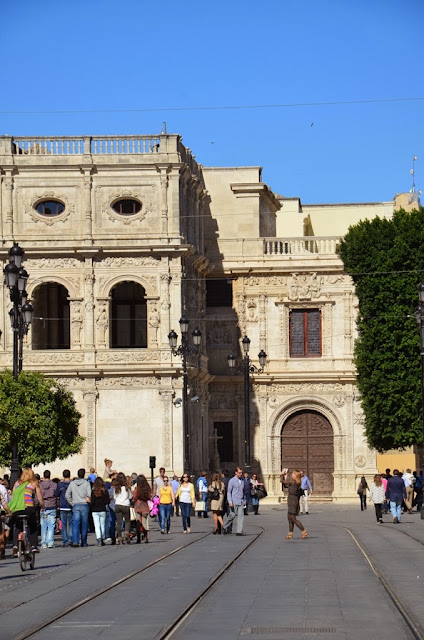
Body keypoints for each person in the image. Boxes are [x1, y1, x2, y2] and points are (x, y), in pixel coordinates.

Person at [10, 469, 44, 555]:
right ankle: (33, 546)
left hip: (17, 509)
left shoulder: (17, 483)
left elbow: (14, 496)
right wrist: (42, 505)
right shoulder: (34, 483)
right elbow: (39, 498)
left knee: (17, 526)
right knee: (33, 525)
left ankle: (15, 545)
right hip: (28, 508)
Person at [65, 468, 91, 547]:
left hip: (75, 505)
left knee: (75, 524)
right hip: (84, 504)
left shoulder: (72, 483)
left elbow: (67, 495)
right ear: (83, 475)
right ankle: (84, 542)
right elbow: (89, 494)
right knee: (84, 524)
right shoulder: (86, 483)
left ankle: (75, 541)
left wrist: (72, 503)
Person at [281, 468, 308, 539]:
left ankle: (304, 531)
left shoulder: (293, 481)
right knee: (289, 518)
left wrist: (282, 474)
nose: (292, 474)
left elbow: (282, 481)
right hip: (292, 500)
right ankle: (290, 534)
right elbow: (285, 485)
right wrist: (284, 476)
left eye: (293, 473)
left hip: (292, 501)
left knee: (292, 518)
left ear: (295, 475)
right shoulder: (296, 482)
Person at [223, 467, 245, 536]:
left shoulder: (242, 481)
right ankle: (224, 526)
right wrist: (230, 501)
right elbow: (229, 492)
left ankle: (239, 531)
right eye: (239, 473)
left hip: (240, 501)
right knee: (232, 515)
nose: (241, 474)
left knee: (241, 516)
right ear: (236, 473)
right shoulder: (232, 481)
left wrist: (244, 501)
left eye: (241, 473)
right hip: (234, 501)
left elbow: (243, 491)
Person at [55, 469, 73, 547]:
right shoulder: (72, 484)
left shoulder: (60, 485)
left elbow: (56, 494)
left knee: (64, 525)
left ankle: (65, 541)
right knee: (71, 524)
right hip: (70, 505)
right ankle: (70, 539)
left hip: (62, 506)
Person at [39, 470, 57, 549]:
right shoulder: (54, 485)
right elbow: (57, 495)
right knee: (51, 525)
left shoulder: (39, 485)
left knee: (43, 526)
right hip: (52, 505)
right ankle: (50, 542)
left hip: (43, 506)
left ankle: (43, 542)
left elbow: (38, 496)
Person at [113, 472, 132, 544]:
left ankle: (120, 538)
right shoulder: (127, 488)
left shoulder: (116, 488)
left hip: (118, 505)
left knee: (119, 522)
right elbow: (130, 496)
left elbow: (114, 497)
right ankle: (126, 533)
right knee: (127, 520)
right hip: (125, 505)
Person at [132, 475, 151, 543]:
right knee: (145, 522)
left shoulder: (137, 488)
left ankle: (138, 538)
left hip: (138, 506)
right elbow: (149, 496)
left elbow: (134, 497)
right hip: (145, 506)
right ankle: (146, 537)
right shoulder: (147, 488)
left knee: (138, 522)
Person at [91, 477, 110, 546]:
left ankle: (99, 538)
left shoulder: (93, 491)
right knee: (102, 525)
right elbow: (108, 501)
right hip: (102, 509)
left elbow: (92, 502)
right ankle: (102, 538)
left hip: (95, 510)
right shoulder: (104, 491)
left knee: (97, 525)